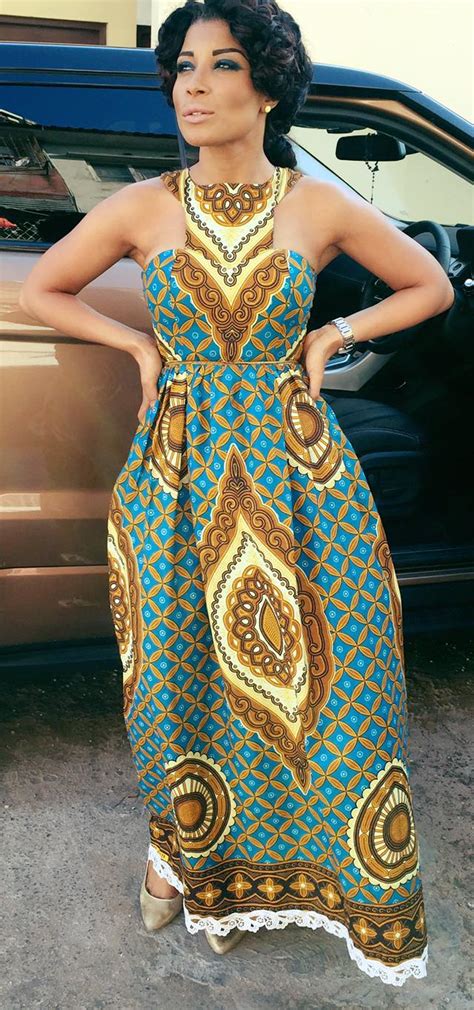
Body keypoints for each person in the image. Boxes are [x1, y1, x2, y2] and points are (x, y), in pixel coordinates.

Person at [20, 0, 454, 986]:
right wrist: (136, 345)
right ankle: (181, 860)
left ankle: (299, 876)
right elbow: (44, 287)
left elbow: (429, 285)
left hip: (303, 479)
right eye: (183, 66)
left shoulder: (318, 204)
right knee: (179, 680)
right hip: (175, 477)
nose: (194, 85)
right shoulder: (142, 206)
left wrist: (332, 335)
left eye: (220, 65)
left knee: (333, 688)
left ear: (268, 87)